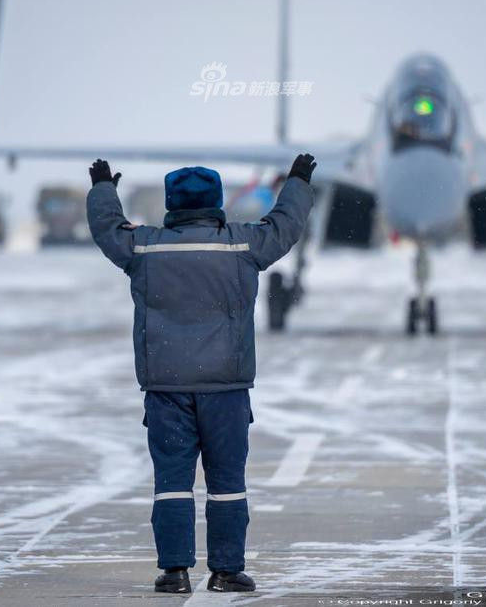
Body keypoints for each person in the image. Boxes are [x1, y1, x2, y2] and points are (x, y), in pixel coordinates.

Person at [86, 155, 316, 593]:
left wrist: (102, 188)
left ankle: (174, 573)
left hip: (166, 388)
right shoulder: (241, 246)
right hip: (225, 389)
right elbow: (285, 226)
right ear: (217, 202)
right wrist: (298, 181)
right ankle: (226, 571)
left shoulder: (146, 248)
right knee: (227, 484)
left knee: (172, 483)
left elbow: (107, 231)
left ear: (172, 203)